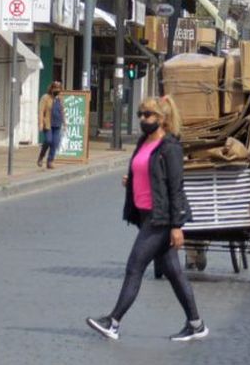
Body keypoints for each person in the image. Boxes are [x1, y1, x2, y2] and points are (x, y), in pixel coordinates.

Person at [86, 95, 207, 343]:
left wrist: (176, 226)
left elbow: (176, 188)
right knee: (173, 272)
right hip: (145, 214)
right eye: (141, 114)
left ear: (162, 119)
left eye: (148, 115)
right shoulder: (144, 142)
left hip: (160, 219)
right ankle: (196, 324)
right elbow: (145, 172)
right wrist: (131, 182)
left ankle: (114, 321)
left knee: (135, 267)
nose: (142, 119)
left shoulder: (170, 147)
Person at [37, 81, 64, 169]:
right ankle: (41, 156)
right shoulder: (45, 97)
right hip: (48, 124)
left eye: (58, 88)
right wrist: (40, 123)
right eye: (55, 88)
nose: (57, 90)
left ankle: (50, 161)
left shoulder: (60, 98)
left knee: (55, 143)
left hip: (57, 124)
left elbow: (62, 111)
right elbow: (41, 111)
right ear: (51, 89)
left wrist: (65, 122)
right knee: (48, 140)